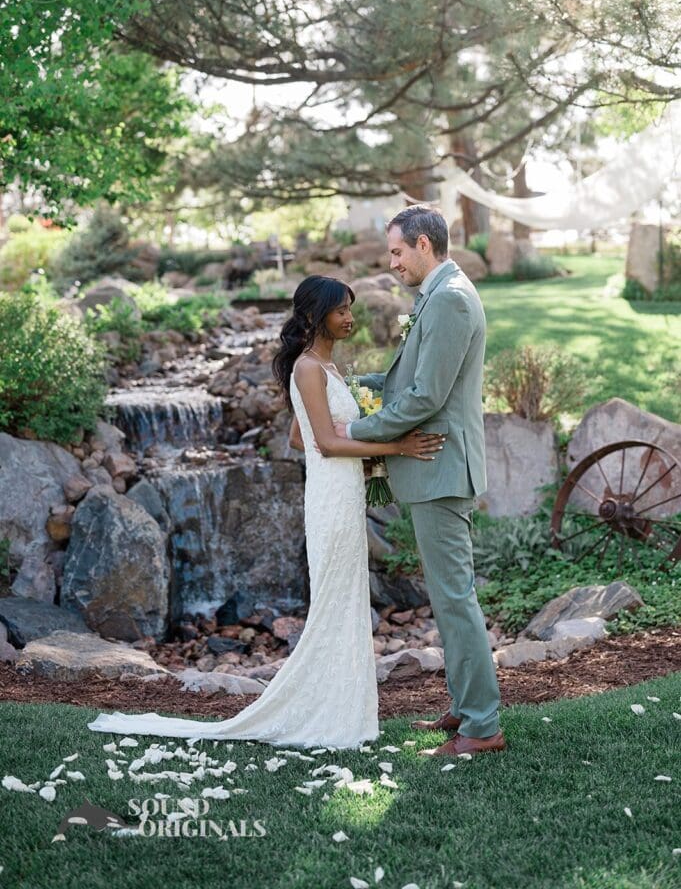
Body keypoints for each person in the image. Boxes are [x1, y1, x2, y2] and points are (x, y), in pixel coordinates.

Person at [86, 274, 444, 749]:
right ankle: (328, 715)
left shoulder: (324, 367)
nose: (350, 318)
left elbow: (300, 438)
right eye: (341, 311)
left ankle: (342, 711)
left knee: (346, 601)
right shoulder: (308, 369)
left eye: (350, 309)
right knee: (335, 603)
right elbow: (327, 443)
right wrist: (394, 445)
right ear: (316, 315)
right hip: (331, 500)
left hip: (342, 492)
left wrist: (362, 446)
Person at [336, 205, 505, 758]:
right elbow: (405, 380)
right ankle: (465, 705)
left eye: (397, 251)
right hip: (434, 469)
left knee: (455, 599)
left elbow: (427, 397)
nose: (392, 263)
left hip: (441, 468)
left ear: (425, 245)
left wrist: (356, 428)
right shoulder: (437, 295)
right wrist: (344, 384)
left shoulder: (451, 299)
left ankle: (482, 726)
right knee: (448, 597)